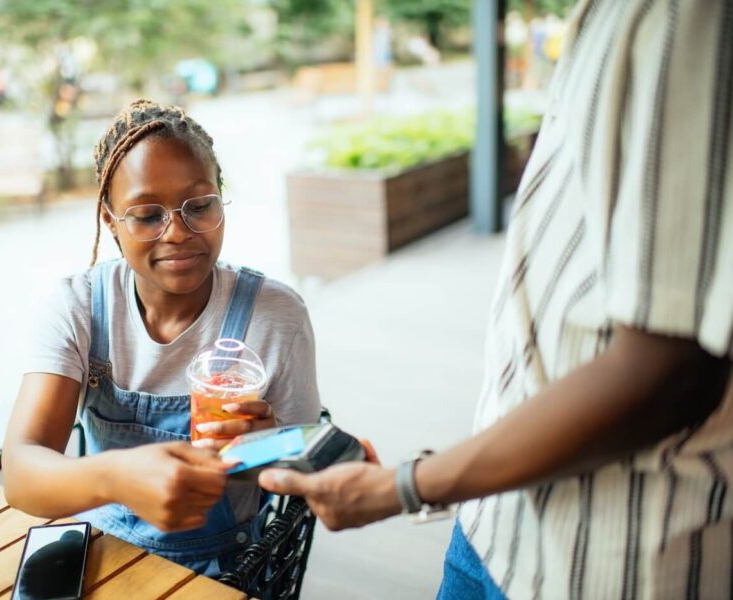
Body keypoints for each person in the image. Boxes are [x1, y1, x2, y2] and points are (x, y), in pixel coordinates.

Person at [260, 1, 733, 598]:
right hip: (495, 519)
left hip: (610, 557)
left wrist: (402, 485)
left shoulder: (679, 16)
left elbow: (670, 372)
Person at [1, 99, 321, 577]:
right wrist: (117, 477)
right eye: (148, 215)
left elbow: (307, 465)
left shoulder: (275, 316)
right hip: (102, 551)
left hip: (221, 568)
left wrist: (261, 449)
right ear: (111, 221)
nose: (177, 232)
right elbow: (22, 476)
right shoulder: (80, 307)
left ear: (220, 198)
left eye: (199, 205)